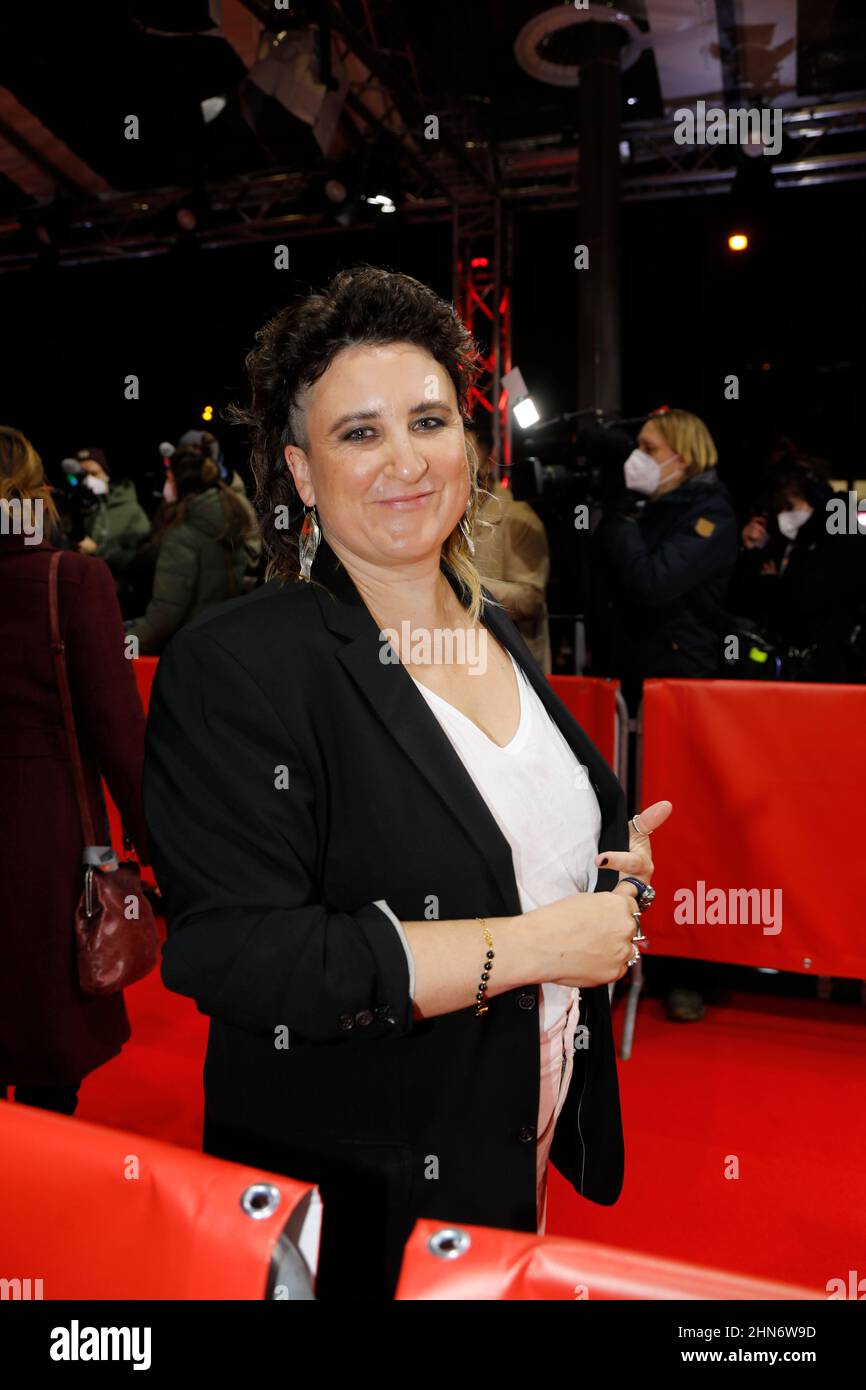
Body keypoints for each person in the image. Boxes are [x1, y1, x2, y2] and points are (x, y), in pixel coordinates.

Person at [143, 266, 672, 1299]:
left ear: (467, 449)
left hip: (513, 1137)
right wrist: (541, 944)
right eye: (357, 433)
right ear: (300, 471)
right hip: (364, 1187)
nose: (403, 460)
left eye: (428, 420)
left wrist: (612, 874)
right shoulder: (239, 664)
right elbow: (239, 953)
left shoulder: (490, 629)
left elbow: (508, 844)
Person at [0, 427, 150, 1115]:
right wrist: (161, 847)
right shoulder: (70, 580)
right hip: (45, 844)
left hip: (42, 836)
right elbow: (120, 735)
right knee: (45, 1056)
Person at [588, 407, 738, 1024]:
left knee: (681, 831)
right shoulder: (646, 513)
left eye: (649, 447)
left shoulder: (711, 515)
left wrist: (617, 519)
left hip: (682, 692)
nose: (636, 458)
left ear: (683, 452)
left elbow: (653, 583)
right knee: (623, 825)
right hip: (627, 687)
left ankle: (687, 970)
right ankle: (619, 950)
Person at [730, 455, 866, 683]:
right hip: (787, 664)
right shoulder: (786, 535)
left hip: (835, 667)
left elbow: (808, 597)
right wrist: (751, 551)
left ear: (815, 496)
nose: (785, 515)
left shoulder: (846, 524)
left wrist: (772, 584)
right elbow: (745, 601)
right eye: (779, 508)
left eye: (790, 506)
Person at [126, 445, 258, 655]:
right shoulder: (230, 515)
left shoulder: (182, 534)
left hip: (191, 650)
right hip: (227, 641)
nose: (165, 485)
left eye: (169, 479)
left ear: (179, 483)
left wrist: (126, 645)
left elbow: (165, 614)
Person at [466, 416, 553, 673]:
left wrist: (465, 586)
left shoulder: (518, 517)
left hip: (510, 667)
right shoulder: (441, 516)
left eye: (467, 453)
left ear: (487, 460)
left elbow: (530, 600)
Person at [74, 447, 150, 582]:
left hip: (119, 594)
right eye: (83, 475)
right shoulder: (76, 510)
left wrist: (97, 551)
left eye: (94, 473)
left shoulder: (131, 511)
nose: (87, 480)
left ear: (106, 474)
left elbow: (140, 560)